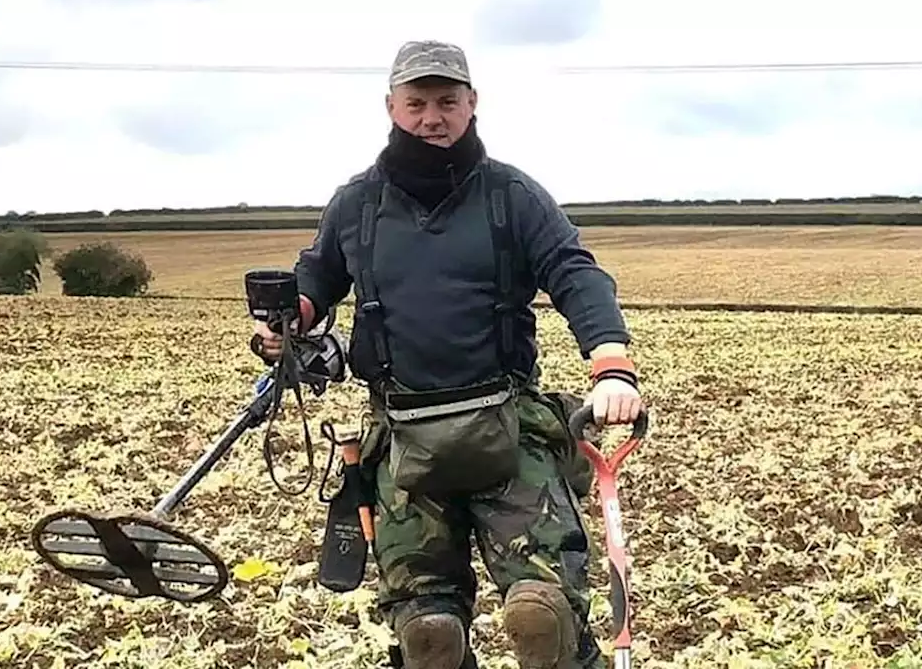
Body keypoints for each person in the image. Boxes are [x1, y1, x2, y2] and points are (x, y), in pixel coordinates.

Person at [253, 40, 643, 669]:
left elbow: (575, 274)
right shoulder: (356, 204)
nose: (432, 117)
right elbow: (315, 281)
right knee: (426, 638)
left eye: (446, 102)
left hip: (508, 430)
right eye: (417, 104)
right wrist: (287, 324)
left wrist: (611, 363)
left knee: (545, 619)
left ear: (472, 104)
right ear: (391, 107)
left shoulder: (512, 196)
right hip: (402, 438)